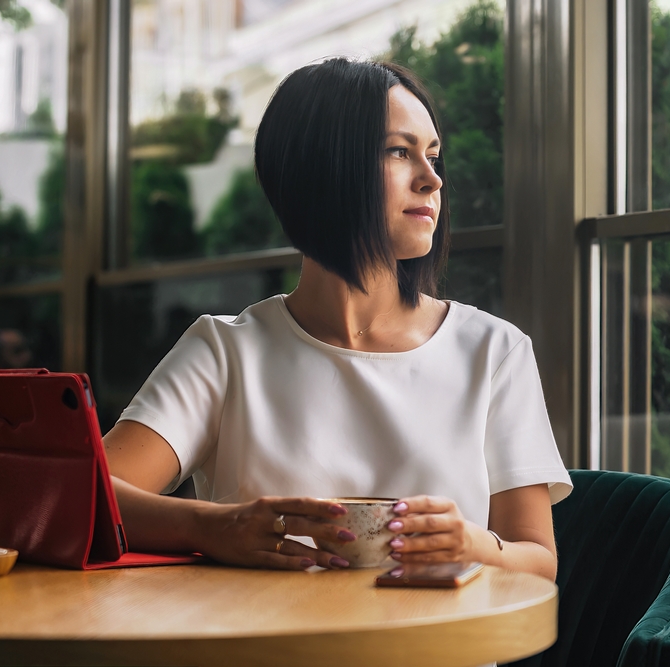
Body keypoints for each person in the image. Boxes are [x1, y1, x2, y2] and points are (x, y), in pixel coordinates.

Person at [103, 58, 572, 579]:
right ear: (324, 167)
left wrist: (473, 545)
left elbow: (538, 561)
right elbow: (92, 496)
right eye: (400, 151)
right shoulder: (227, 353)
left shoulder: (493, 351)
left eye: (434, 156)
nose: (432, 179)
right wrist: (211, 526)